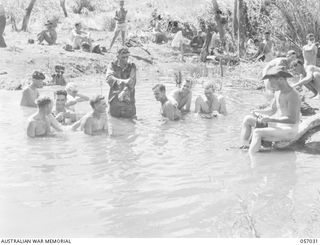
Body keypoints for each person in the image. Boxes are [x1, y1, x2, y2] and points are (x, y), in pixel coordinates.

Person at [240, 66, 301, 154]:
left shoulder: (293, 95)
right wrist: (257, 111)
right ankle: (244, 146)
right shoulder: (277, 92)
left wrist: (270, 119)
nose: (271, 86)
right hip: (277, 125)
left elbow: (293, 119)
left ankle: (251, 158)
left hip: (289, 129)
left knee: (257, 132)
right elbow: (272, 110)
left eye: (272, 82)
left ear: (281, 79)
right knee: (247, 119)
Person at [106, 48, 137, 118]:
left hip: (128, 103)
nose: (126, 59)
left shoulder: (132, 66)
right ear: (118, 56)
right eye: (123, 57)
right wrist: (122, 81)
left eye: (127, 57)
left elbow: (132, 82)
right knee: (114, 122)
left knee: (131, 124)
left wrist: (124, 91)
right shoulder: (112, 65)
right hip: (114, 101)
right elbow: (108, 78)